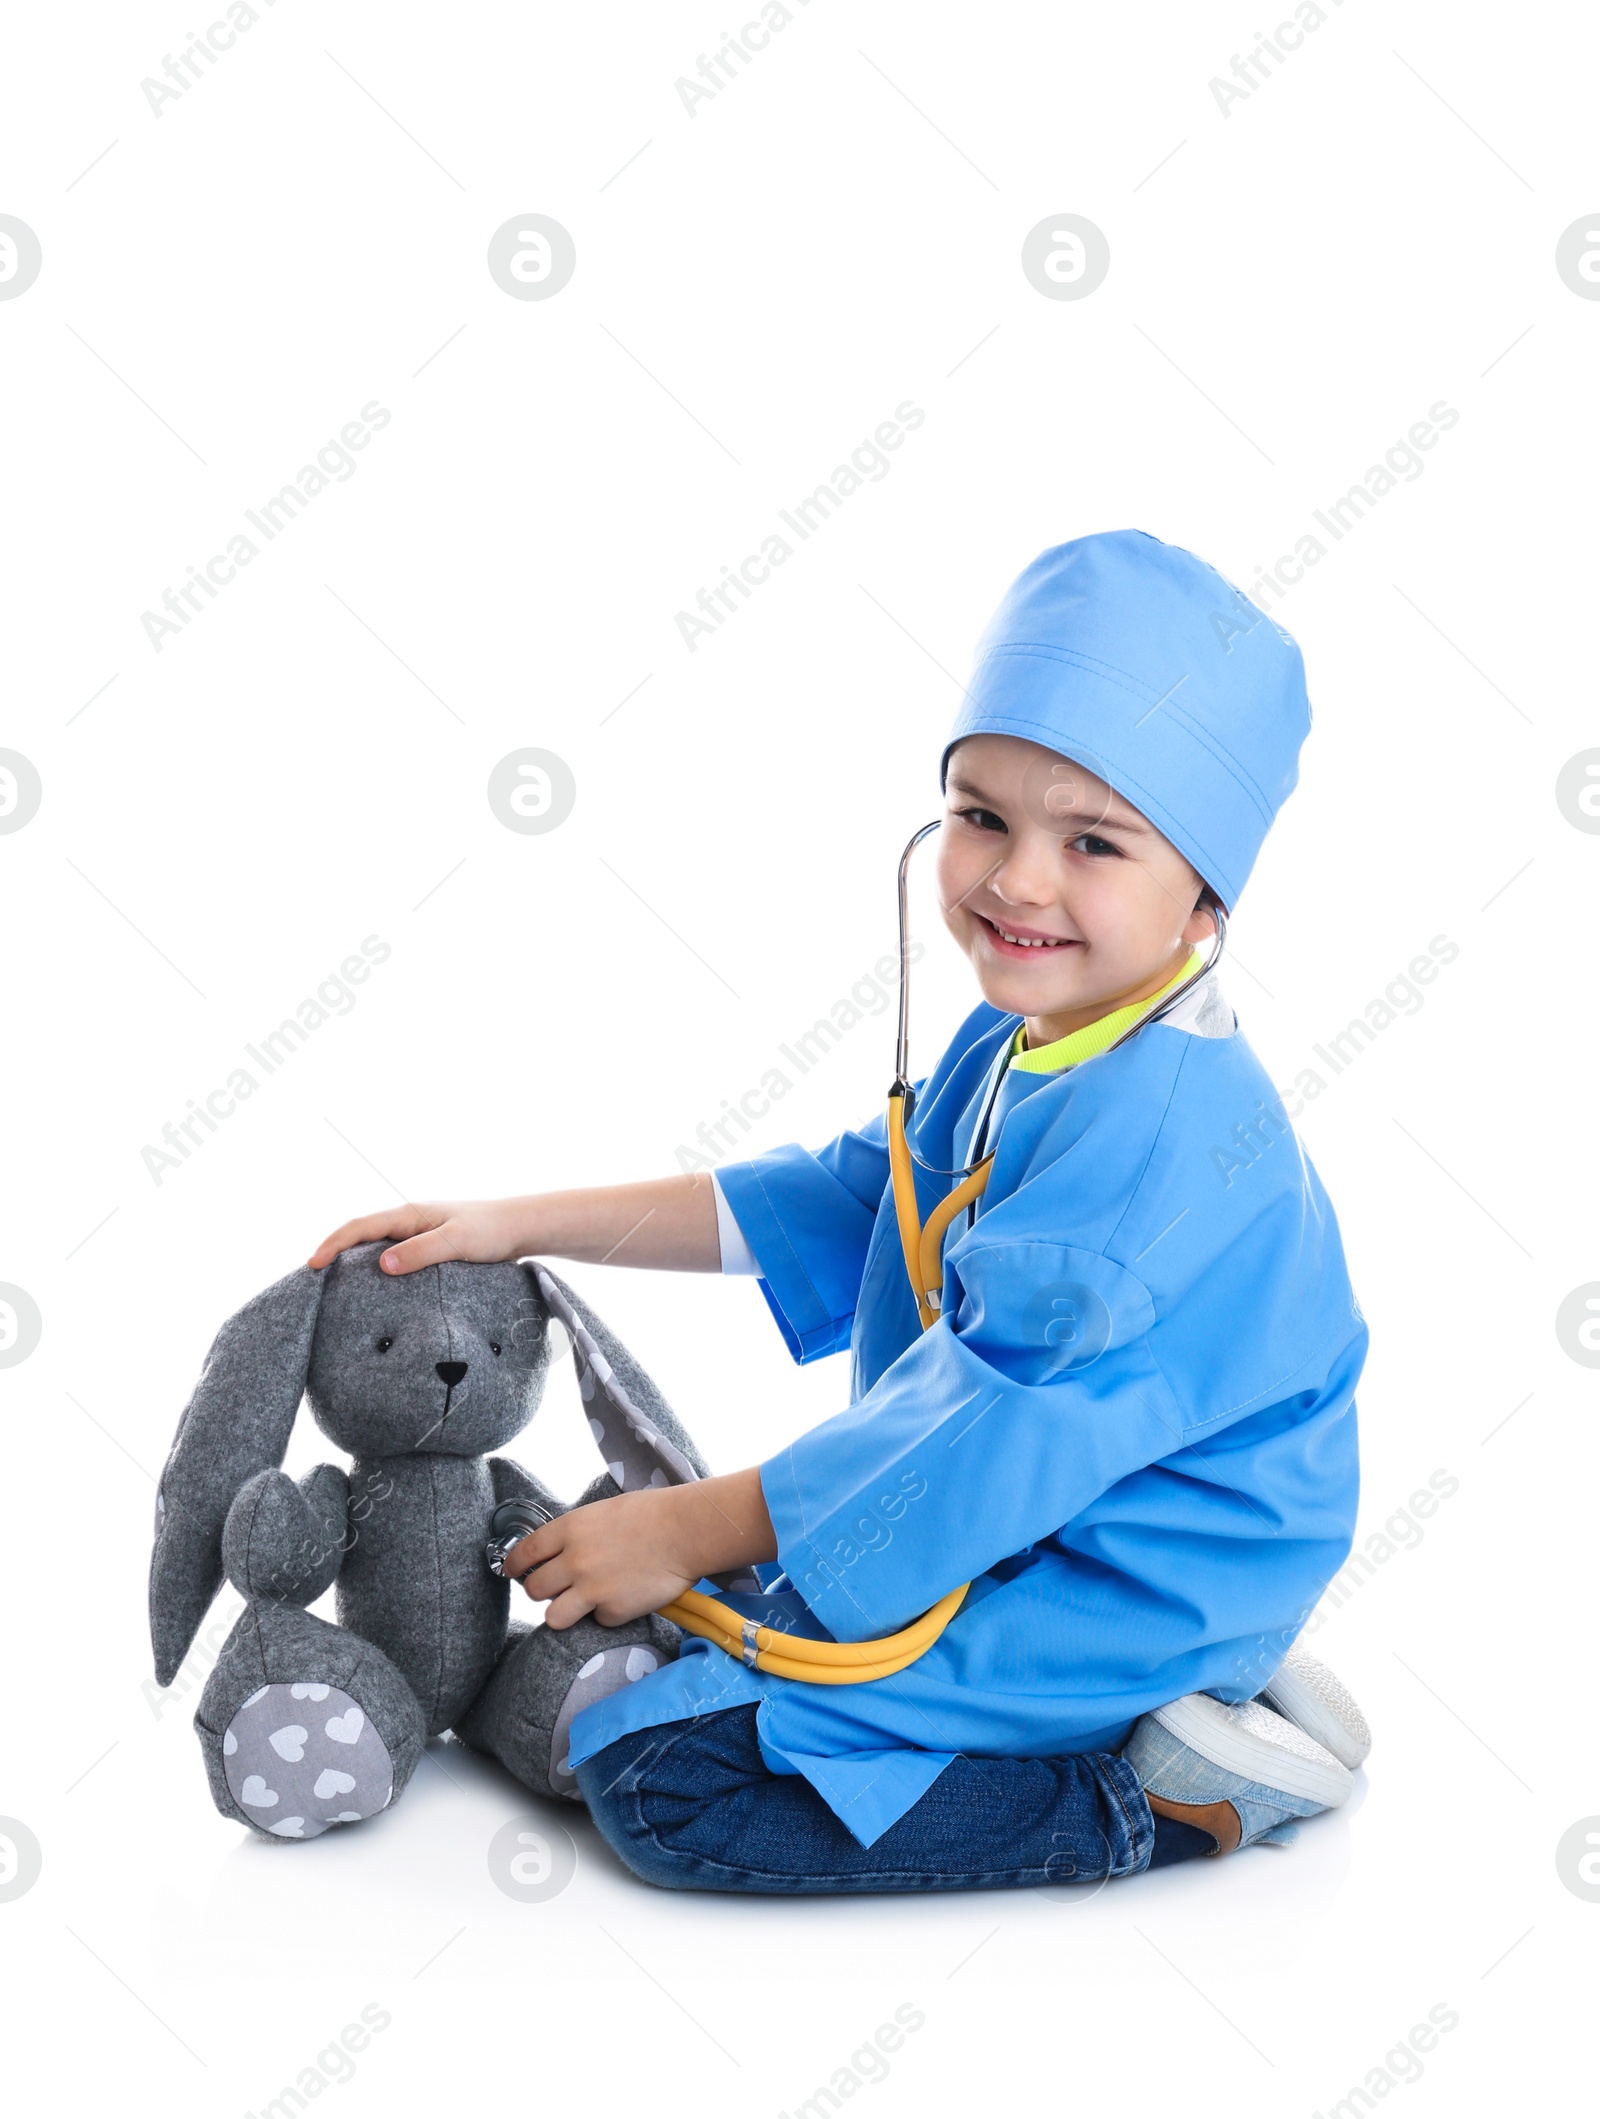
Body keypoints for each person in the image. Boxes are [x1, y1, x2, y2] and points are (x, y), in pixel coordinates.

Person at [310, 529, 1370, 1894]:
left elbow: (992, 1424)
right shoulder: (1032, 1034)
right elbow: (837, 1200)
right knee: (712, 1639)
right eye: (981, 814)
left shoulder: (1157, 1150)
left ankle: (1162, 1793)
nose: (1016, 882)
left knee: (660, 1786)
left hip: (1141, 1570)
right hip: (1048, 1513)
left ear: (1205, 900)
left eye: (1092, 842)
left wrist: (687, 1528)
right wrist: (516, 1223)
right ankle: (1187, 1703)